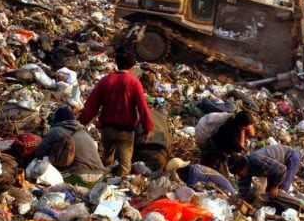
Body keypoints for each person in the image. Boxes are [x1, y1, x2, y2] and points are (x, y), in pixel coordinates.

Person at [78, 48, 154, 176]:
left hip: (107, 129)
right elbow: (142, 107)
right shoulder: (134, 83)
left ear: (116, 63)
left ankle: (105, 181)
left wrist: (80, 123)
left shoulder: (105, 81)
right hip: (125, 131)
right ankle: (119, 188)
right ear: (132, 65)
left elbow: (91, 106)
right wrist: (148, 128)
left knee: (107, 158)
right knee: (125, 165)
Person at [34, 107, 105, 177]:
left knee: (42, 167)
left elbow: (40, 152)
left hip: (80, 176)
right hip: (99, 175)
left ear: (57, 119)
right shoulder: (83, 132)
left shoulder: (56, 130)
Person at [227, 144, 302, 199]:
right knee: (269, 193)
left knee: (281, 190)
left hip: (289, 157)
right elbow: (244, 187)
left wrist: (275, 186)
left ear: (244, 166)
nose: (239, 175)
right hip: (274, 168)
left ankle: (283, 212)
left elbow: (282, 169)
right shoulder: (244, 170)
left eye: (239, 173)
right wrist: (241, 198)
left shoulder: (257, 160)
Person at [199, 110, 256, 176]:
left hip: (214, 149)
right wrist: (242, 130)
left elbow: (252, 133)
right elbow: (240, 148)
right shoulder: (231, 132)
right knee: (220, 178)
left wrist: (245, 127)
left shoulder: (232, 119)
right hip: (213, 155)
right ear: (242, 125)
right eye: (245, 126)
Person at [165, 157, 237, 195]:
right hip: (224, 187)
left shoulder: (194, 176)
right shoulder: (194, 168)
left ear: (179, 171)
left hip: (227, 191)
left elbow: (191, 191)